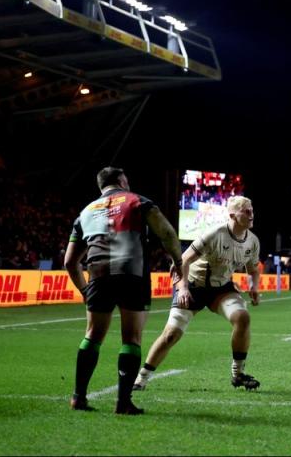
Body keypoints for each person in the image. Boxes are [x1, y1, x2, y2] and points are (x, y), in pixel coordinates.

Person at [64, 166, 183, 415]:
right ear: (121, 181)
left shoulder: (85, 212)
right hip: (131, 273)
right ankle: (123, 402)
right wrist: (178, 262)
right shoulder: (137, 201)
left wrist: (85, 289)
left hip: (97, 274)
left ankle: (78, 397)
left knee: (92, 336)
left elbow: (69, 262)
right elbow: (167, 232)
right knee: (131, 338)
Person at [133, 195, 262, 393]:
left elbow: (253, 269)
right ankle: (141, 379)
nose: (251, 214)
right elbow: (183, 260)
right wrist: (183, 288)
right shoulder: (215, 233)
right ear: (233, 215)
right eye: (247, 211)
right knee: (171, 335)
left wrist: (254, 286)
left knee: (242, 317)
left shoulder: (252, 241)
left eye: (252, 210)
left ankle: (238, 374)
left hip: (221, 288)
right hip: (193, 286)